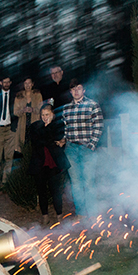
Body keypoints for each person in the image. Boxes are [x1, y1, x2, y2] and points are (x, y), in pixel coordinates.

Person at [62, 79, 104, 217]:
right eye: (73, 89)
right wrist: (64, 141)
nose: (76, 91)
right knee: (76, 183)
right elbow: (64, 128)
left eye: (78, 88)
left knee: (89, 182)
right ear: (70, 91)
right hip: (71, 149)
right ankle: (81, 213)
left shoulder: (92, 105)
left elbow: (98, 126)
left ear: (84, 90)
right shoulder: (66, 108)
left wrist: (91, 145)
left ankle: (92, 214)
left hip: (87, 149)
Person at [28, 104, 70, 225]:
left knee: (55, 190)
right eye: (42, 115)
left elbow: (57, 136)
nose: (44, 117)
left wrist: (49, 130)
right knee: (41, 191)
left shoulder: (58, 125)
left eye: (47, 115)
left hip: (53, 163)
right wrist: (50, 138)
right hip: (39, 164)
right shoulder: (35, 126)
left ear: (52, 115)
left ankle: (59, 215)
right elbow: (37, 141)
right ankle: (45, 215)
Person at [0, 76, 18, 183]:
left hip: (10, 129)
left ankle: (5, 183)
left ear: (10, 82)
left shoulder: (15, 96)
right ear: (1, 83)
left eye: (8, 82)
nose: (6, 84)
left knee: (9, 158)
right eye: (4, 82)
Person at [13, 77, 43, 155]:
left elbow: (40, 109)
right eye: (25, 83)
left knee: (34, 146)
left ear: (32, 84)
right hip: (23, 125)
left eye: (29, 83)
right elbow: (15, 112)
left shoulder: (37, 95)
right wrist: (23, 110)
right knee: (22, 145)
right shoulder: (19, 96)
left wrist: (33, 109)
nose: (27, 85)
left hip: (34, 123)